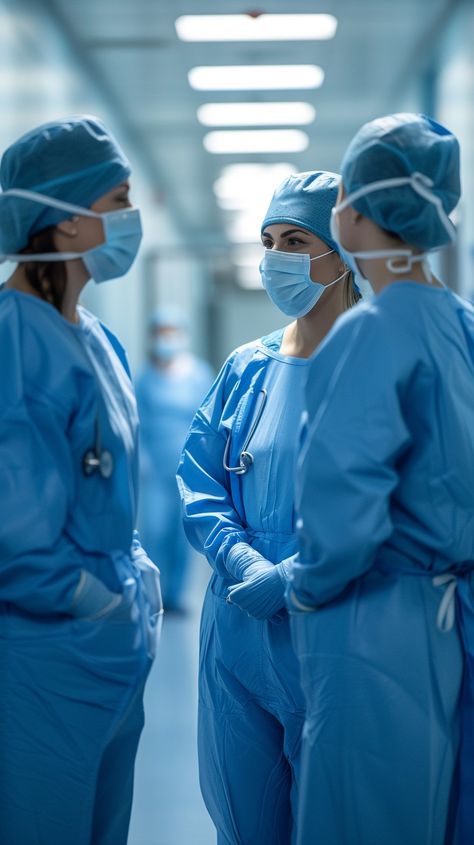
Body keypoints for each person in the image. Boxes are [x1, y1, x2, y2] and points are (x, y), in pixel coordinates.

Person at [288, 114, 473, 845]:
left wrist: (305, 584)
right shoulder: (459, 322)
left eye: (340, 195)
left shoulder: (371, 332)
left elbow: (345, 508)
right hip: (449, 615)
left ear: (360, 211)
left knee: (361, 815)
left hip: (376, 621)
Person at [177, 171, 359, 844]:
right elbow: (199, 478)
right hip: (239, 629)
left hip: (340, 627)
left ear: (342, 251)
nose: (276, 256)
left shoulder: (378, 365)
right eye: (268, 241)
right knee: (244, 816)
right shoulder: (245, 369)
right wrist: (237, 554)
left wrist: (296, 573)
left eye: (296, 240)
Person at [0, 116, 163, 845]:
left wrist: (130, 587)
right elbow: (13, 516)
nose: (131, 219)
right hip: (41, 651)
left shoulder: (93, 337)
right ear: (65, 224)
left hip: (107, 646)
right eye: (118, 199)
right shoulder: (12, 338)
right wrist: (81, 594)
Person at [136, 307, 213, 612]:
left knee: (184, 533)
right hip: (155, 469)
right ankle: (153, 594)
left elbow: (209, 423)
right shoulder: (145, 378)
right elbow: (136, 422)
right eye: (161, 333)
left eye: (172, 332)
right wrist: (139, 458)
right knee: (154, 530)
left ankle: (177, 595)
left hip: (189, 468)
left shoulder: (199, 374)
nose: (166, 339)